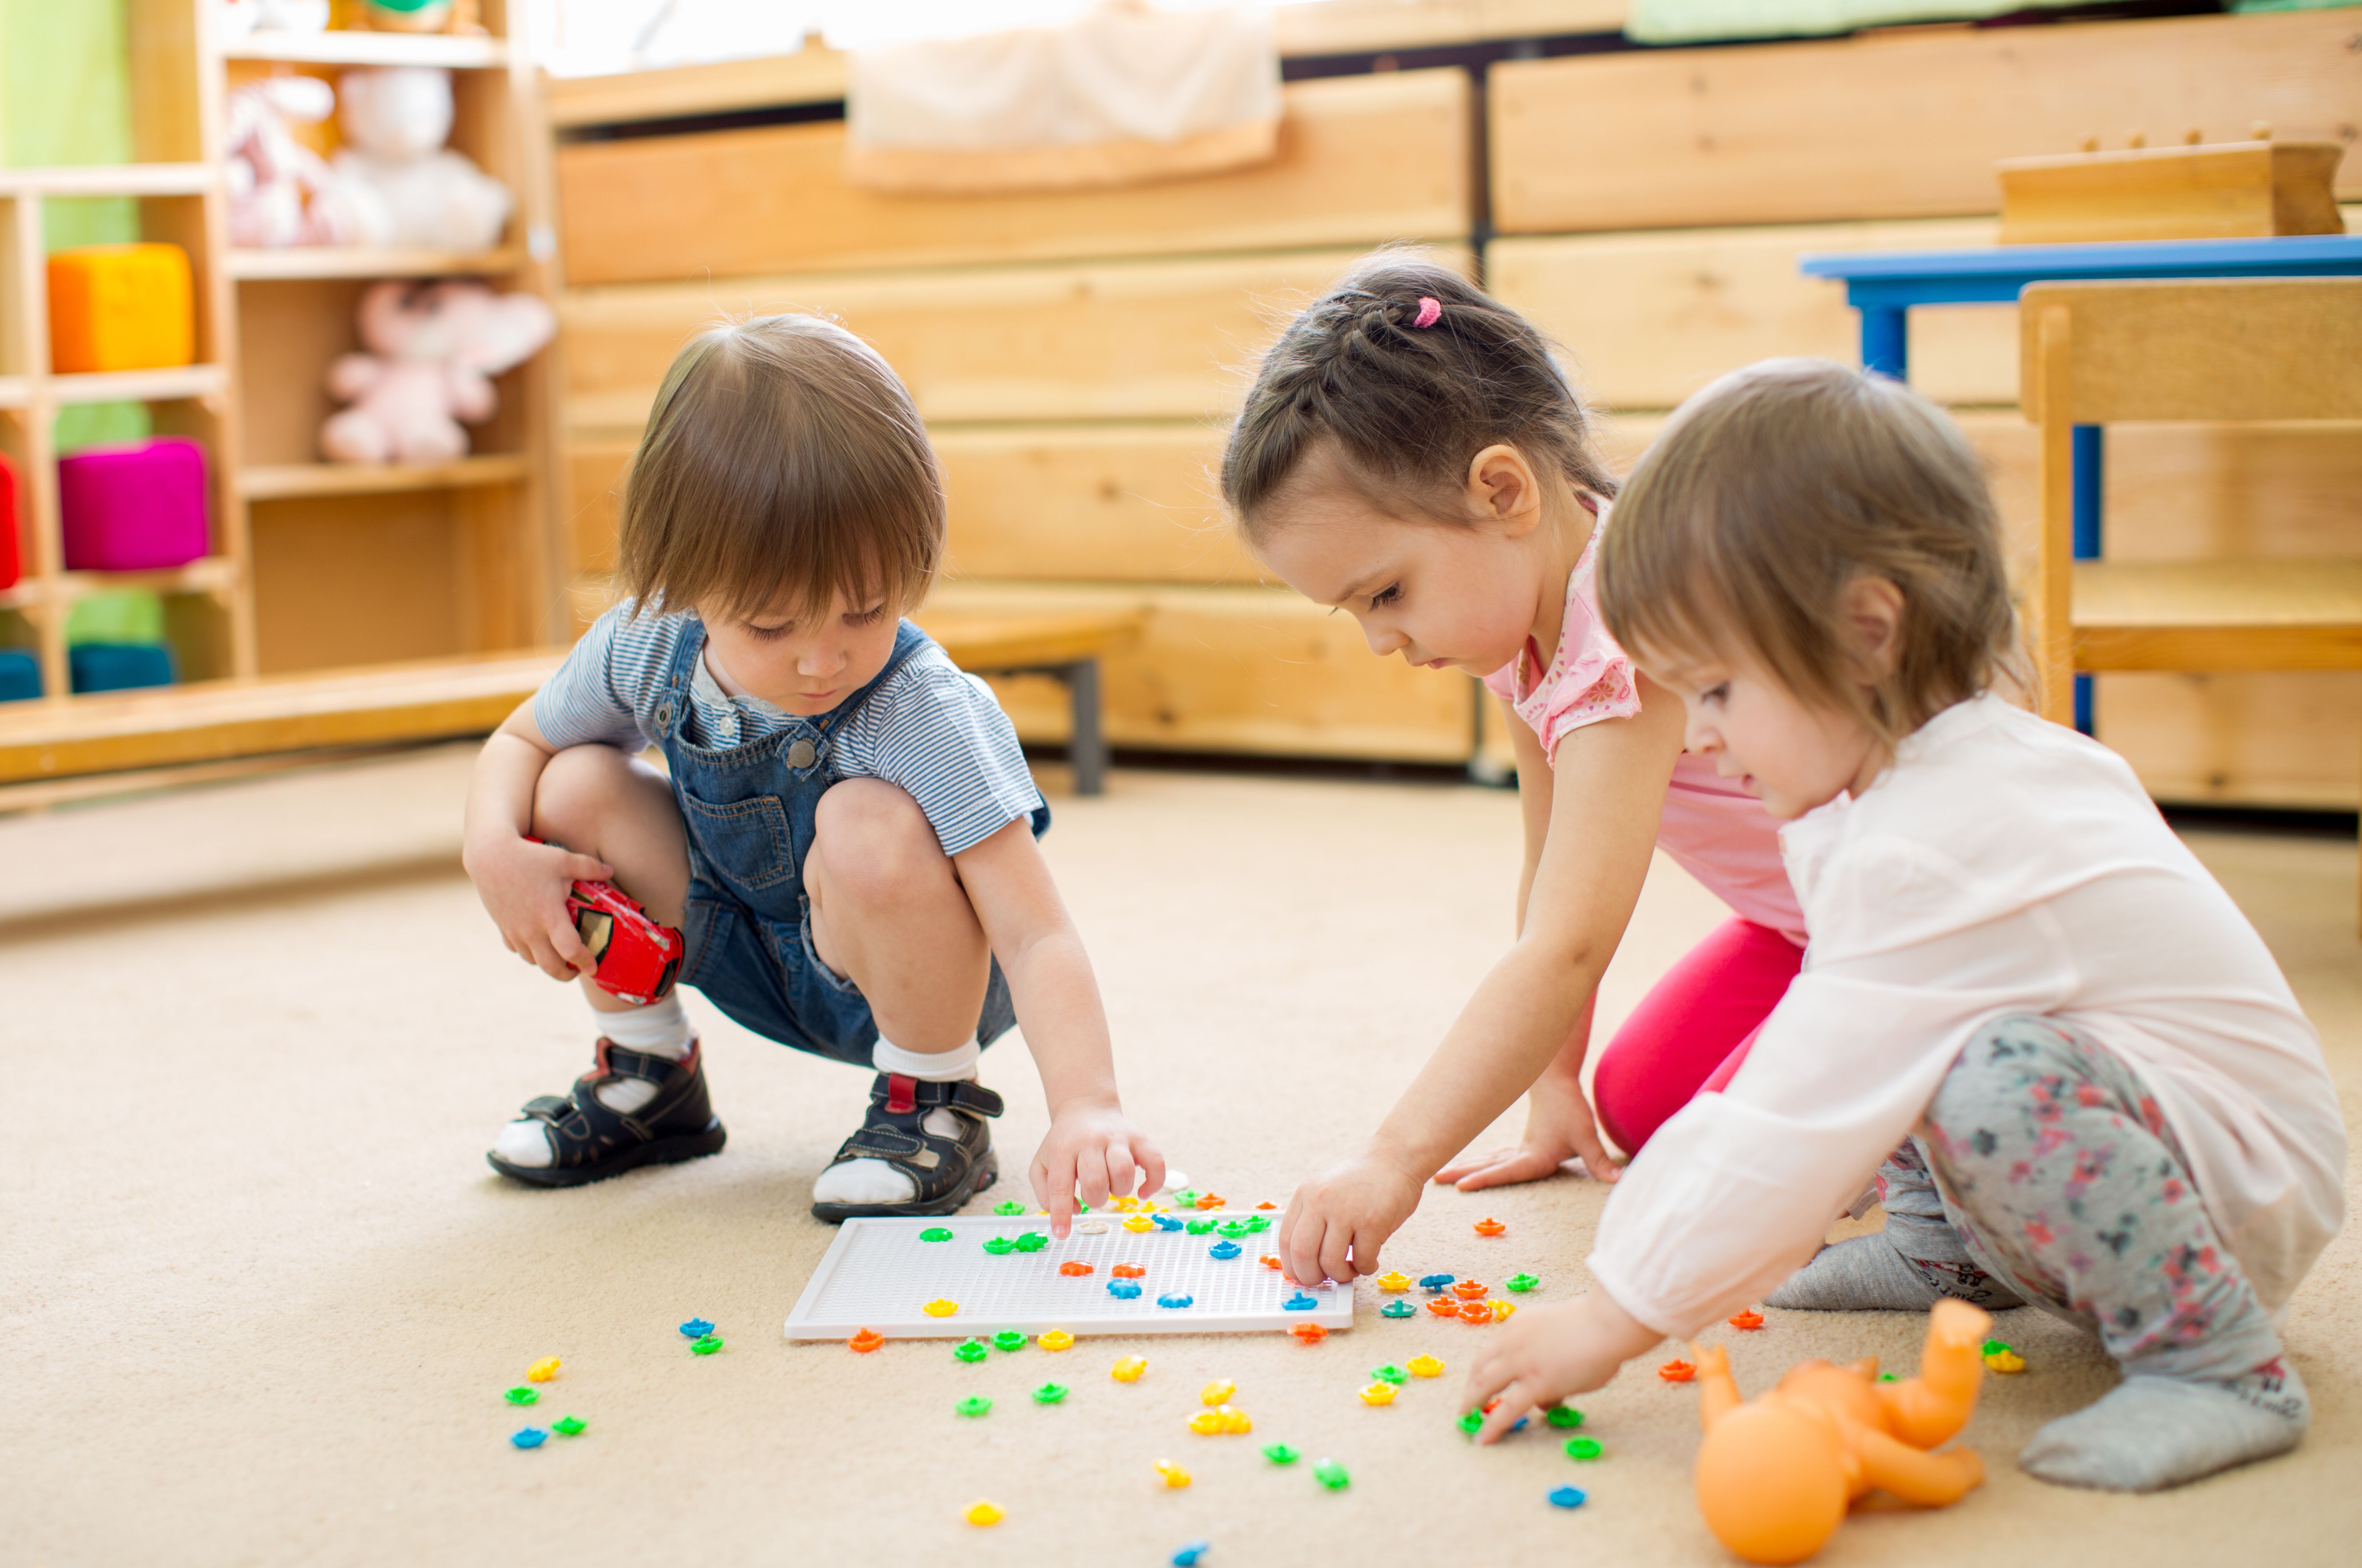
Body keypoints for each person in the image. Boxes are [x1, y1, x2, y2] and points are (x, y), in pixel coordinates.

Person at [1462, 358, 2345, 1493]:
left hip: (2224, 1200)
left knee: (1968, 1064)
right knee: (1905, 1024)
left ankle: (2220, 1364)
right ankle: (1947, 1258)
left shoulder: (1939, 832)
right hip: (2159, 1137)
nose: (1693, 739)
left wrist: (1618, 1310)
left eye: (1717, 693)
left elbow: (1796, 1103)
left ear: (1868, 632)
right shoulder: (1887, 788)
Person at [462, 314, 1161, 1228]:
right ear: (682, 581)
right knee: (567, 785)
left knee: (864, 818)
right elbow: (518, 742)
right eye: (770, 626)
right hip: (739, 943)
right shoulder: (646, 639)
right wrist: (491, 850)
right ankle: (649, 1076)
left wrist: (1086, 1105)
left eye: (864, 611)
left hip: (910, 973)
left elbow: (1035, 933)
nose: (822, 660)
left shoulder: (923, 709)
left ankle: (933, 1105)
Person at [1222, 254, 1809, 1289]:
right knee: (1631, 1106)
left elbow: (1569, 947)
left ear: (1502, 491)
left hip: (1924, 924)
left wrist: (1393, 1156)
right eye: (1354, 611)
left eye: (1387, 592)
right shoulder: (1522, 635)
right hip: (1799, 927)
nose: (1380, 640)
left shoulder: (1633, 617)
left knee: (1720, 1170)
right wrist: (1552, 1079)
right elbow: (1548, 888)